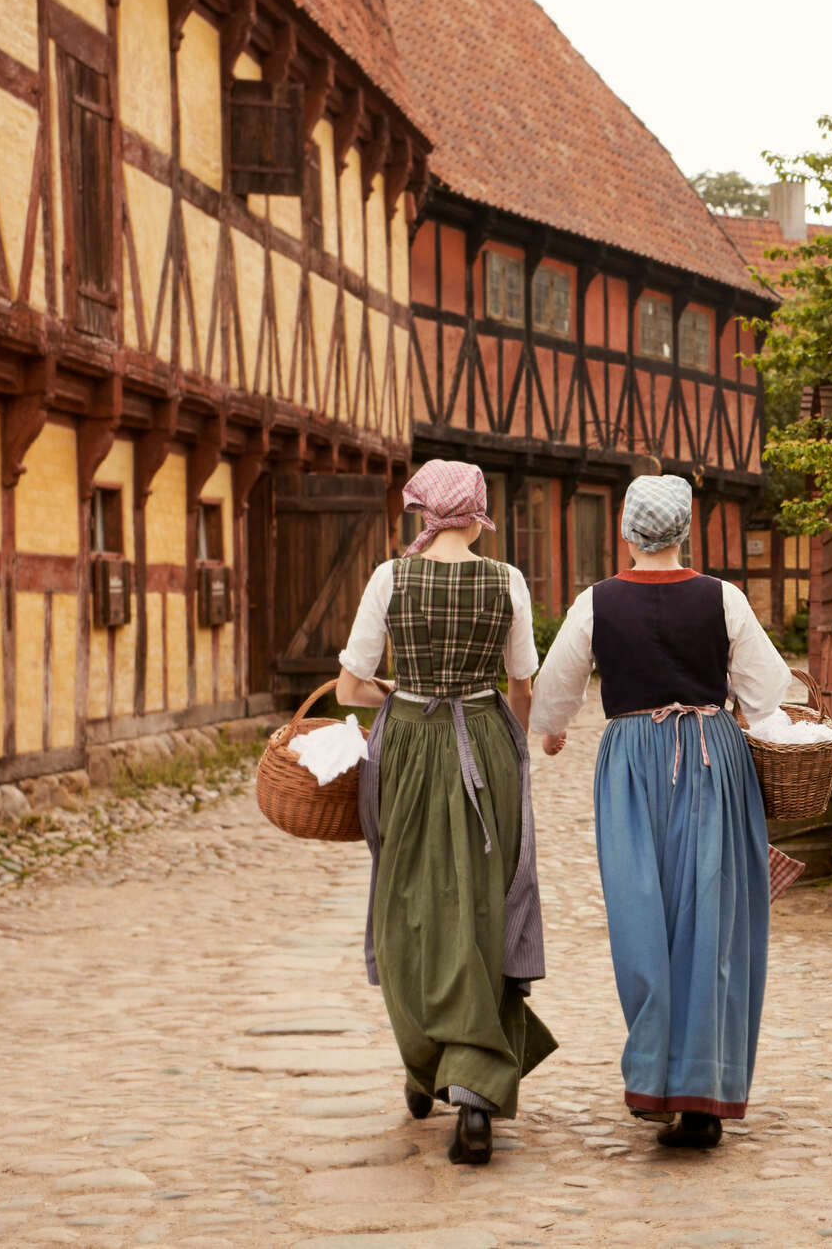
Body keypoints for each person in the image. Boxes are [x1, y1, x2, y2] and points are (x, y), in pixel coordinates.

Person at [529, 474, 793, 1149]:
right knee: (712, 916)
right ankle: (704, 1093)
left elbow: (556, 687)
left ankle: (656, 1079)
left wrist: (553, 730)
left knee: (640, 912)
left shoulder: (596, 602)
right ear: (685, 529)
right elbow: (766, 694)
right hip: (711, 756)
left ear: (627, 530)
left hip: (630, 766)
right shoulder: (723, 598)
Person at [335, 460, 556, 1165]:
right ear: (478, 509)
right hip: (486, 744)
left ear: (422, 509)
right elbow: (522, 684)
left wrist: (404, 692)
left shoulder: (389, 577)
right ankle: (469, 1085)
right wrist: (511, 741)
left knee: (408, 905)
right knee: (484, 905)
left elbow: (350, 687)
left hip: (405, 744)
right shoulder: (508, 581)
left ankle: (429, 1063)